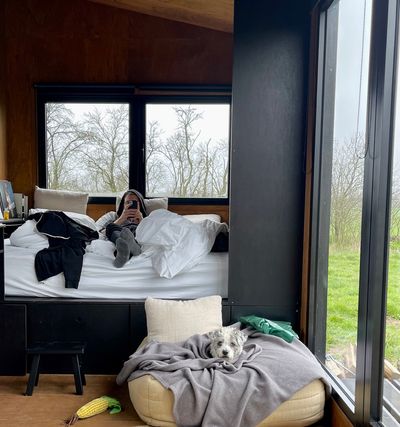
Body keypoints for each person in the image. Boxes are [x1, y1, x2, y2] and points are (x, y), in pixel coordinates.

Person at [98, 189, 148, 268]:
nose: (131, 204)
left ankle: (127, 250)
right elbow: (101, 234)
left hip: (137, 235)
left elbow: (152, 234)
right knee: (111, 226)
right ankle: (130, 250)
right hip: (120, 234)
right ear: (123, 205)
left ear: (140, 204)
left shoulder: (147, 219)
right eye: (128, 202)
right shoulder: (114, 217)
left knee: (129, 234)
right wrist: (121, 219)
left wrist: (141, 220)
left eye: (134, 202)